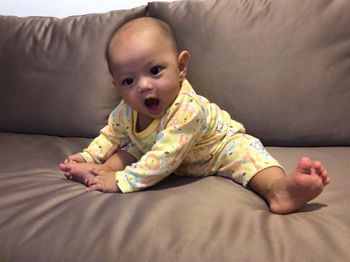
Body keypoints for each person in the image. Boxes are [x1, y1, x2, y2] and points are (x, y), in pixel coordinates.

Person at [59, 17, 330, 214]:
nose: (143, 86)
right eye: (128, 81)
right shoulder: (126, 111)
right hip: (163, 153)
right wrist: (90, 156)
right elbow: (111, 135)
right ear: (116, 85)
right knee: (128, 149)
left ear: (181, 66)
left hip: (216, 148)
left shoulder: (187, 109)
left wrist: (120, 181)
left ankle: (281, 190)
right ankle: (95, 172)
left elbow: (164, 158)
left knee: (248, 156)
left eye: (154, 71)